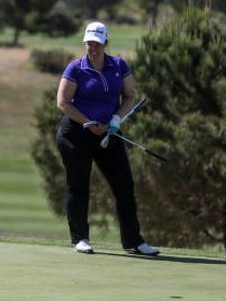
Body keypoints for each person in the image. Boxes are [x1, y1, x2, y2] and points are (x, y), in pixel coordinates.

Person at [56, 21, 159, 256]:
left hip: (109, 133)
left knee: (124, 185)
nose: (93, 48)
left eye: (97, 44)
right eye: (89, 43)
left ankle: (134, 241)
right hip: (76, 134)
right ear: (85, 43)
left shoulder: (119, 65)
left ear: (106, 43)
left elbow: (130, 95)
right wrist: (88, 123)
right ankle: (80, 238)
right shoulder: (76, 68)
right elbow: (63, 103)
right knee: (79, 185)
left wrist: (116, 119)